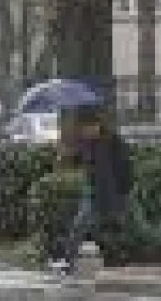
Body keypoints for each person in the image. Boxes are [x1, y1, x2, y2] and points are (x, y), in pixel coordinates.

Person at [52, 110, 133, 272]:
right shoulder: (89, 143)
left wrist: (116, 195)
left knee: (125, 228)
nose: (84, 132)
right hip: (94, 193)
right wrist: (65, 155)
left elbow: (118, 172)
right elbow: (81, 160)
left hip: (112, 194)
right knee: (80, 226)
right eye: (82, 129)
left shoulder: (111, 143)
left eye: (87, 128)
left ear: (97, 125)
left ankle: (126, 259)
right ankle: (69, 260)